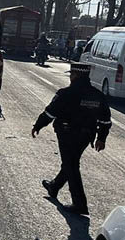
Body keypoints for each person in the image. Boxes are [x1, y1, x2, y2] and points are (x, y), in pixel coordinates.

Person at [31, 62, 111, 215]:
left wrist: (38, 125)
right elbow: (105, 120)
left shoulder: (66, 93)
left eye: (71, 75)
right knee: (71, 162)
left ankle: (79, 204)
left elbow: (50, 113)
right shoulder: (97, 95)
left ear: (74, 75)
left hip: (67, 134)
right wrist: (102, 138)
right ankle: (54, 186)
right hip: (86, 136)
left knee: (71, 165)